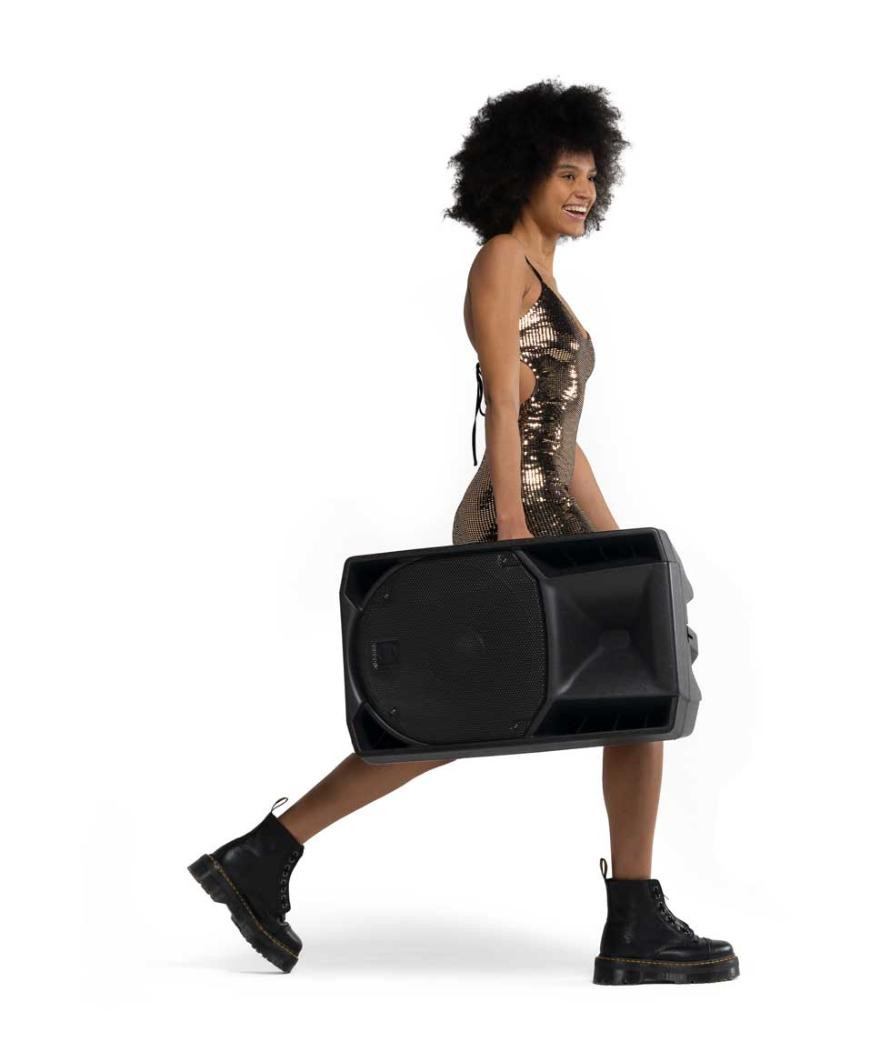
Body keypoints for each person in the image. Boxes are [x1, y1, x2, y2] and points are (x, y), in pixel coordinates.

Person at [188, 79, 738, 986]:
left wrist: (626, 549)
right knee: (493, 708)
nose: (584, 191)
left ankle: (264, 855)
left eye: (592, 176)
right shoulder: (501, 261)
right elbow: (506, 410)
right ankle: (632, 919)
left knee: (615, 696)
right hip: (514, 516)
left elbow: (563, 435)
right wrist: (515, 535)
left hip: (551, 511)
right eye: (566, 174)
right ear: (521, 173)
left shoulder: (546, 276)